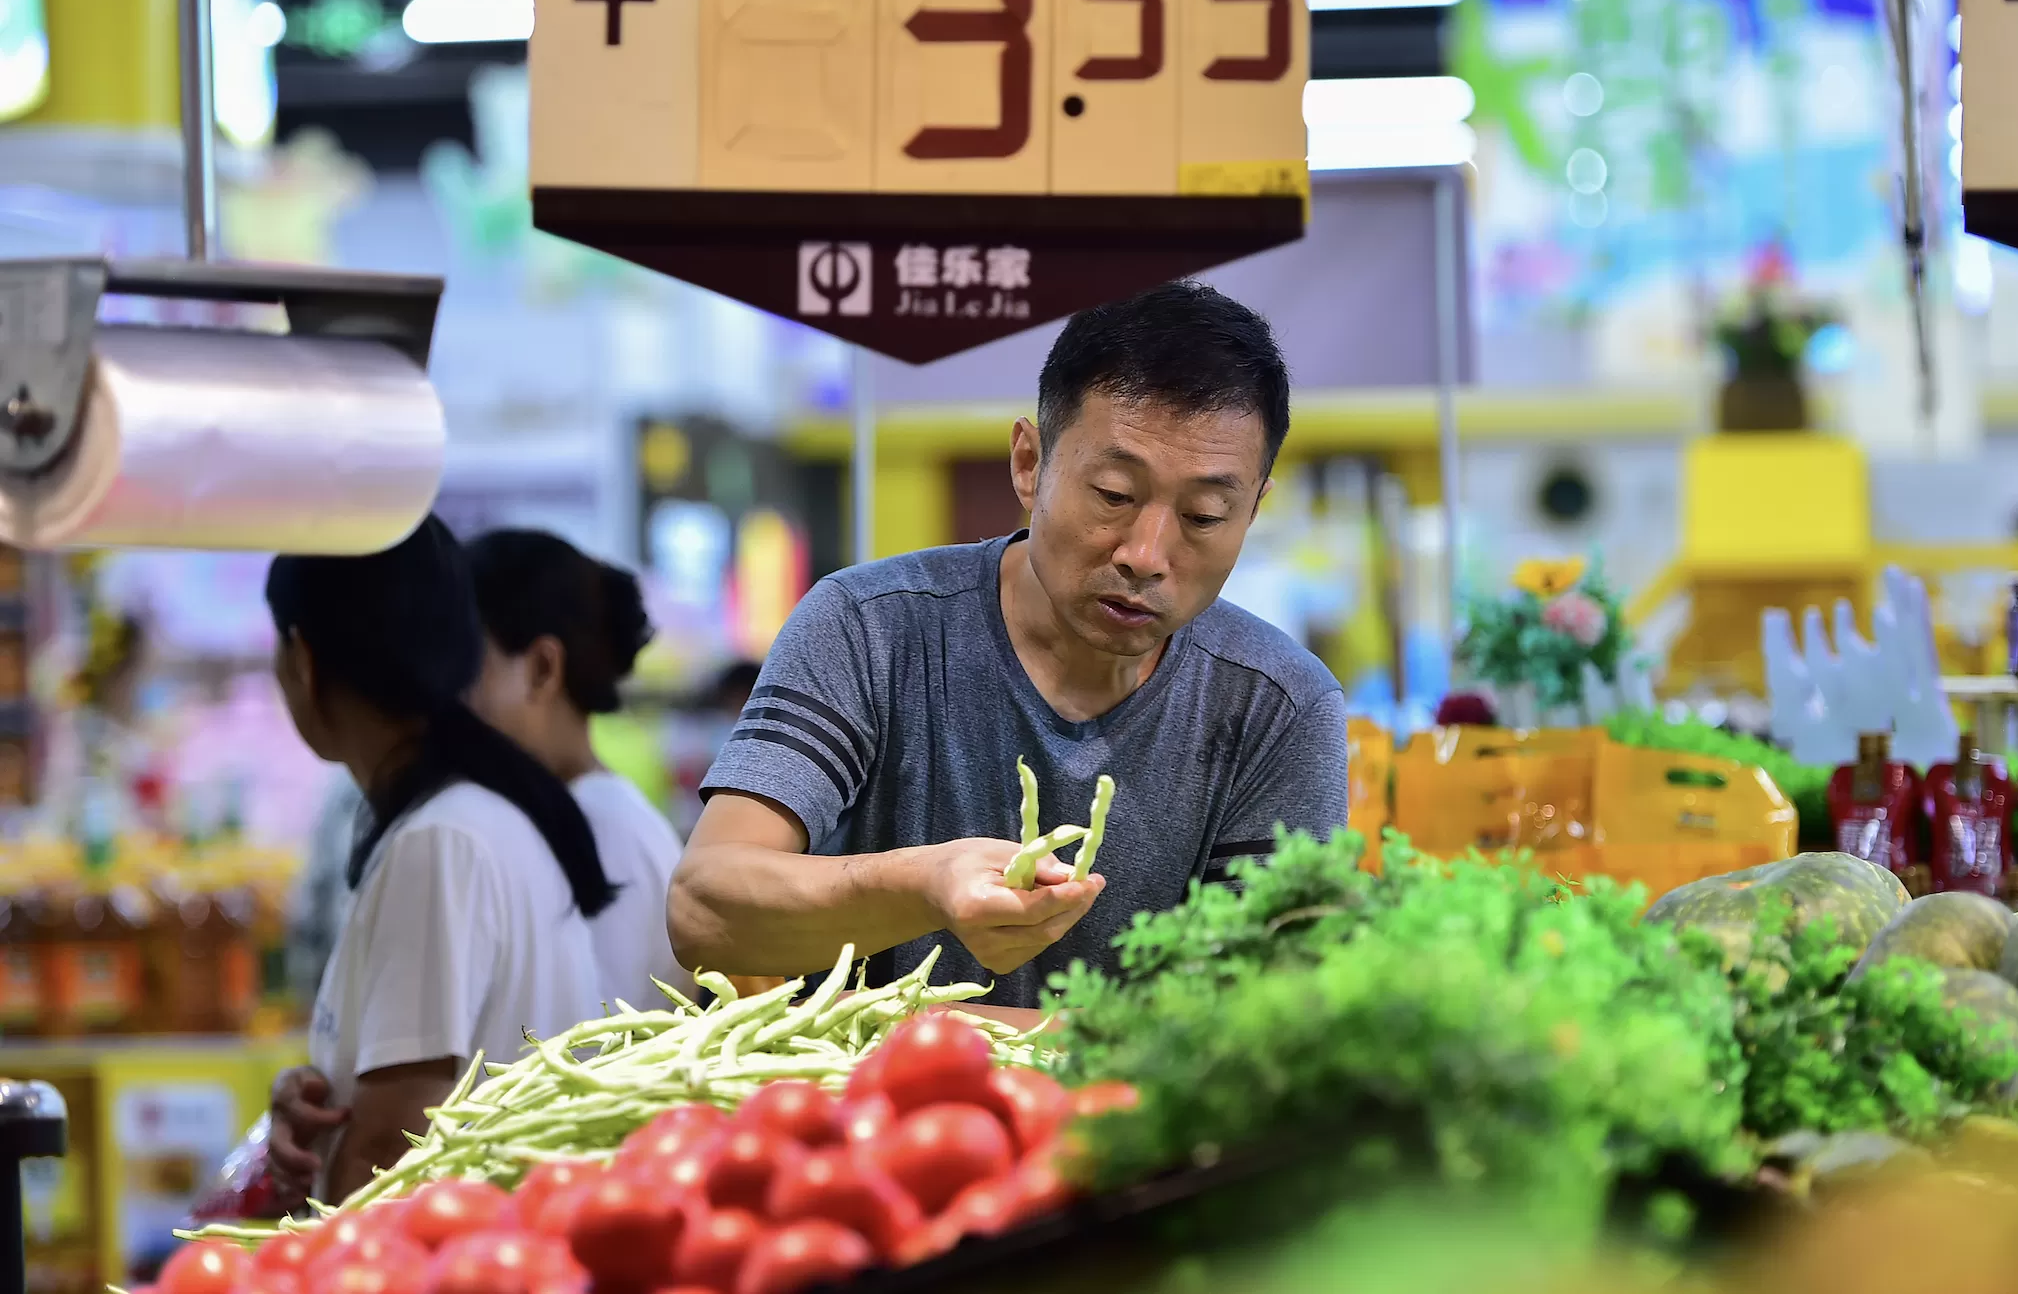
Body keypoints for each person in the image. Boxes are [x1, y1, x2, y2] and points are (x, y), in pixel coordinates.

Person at [668, 281, 1349, 1010]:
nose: (1147, 553)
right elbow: (705, 908)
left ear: (1252, 512)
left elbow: (1272, 1014)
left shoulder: (1279, 707)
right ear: (1029, 464)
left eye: (1205, 515)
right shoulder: (870, 627)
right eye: (1115, 495)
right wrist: (924, 886)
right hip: (868, 1118)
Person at [263, 516, 614, 1204]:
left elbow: (388, 1151)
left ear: (303, 660)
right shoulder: (473, 814)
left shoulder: (440, 841)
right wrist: (317, 1094)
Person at [465, 528, 689, 1008]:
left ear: (543, 668)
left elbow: (584, 1044)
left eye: (465, 663)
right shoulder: (581, 814)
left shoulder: (604, 831)